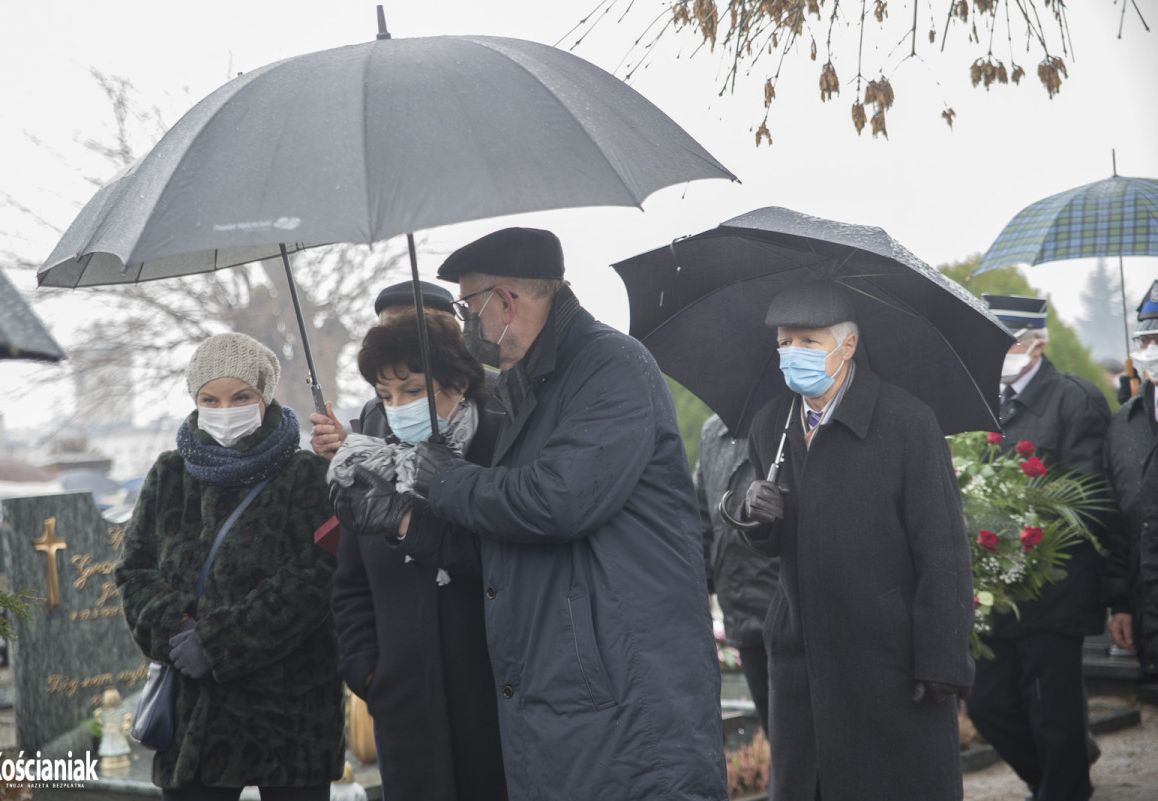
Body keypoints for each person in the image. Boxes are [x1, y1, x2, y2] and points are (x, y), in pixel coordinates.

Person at [336, 227, 728, 800]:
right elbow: (508, 542)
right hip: (564, 697)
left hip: (623, 697)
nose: (466, 325)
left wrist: (440, 477)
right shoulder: (532, 385)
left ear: (504, 301)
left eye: (468, 308)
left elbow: (556, 502)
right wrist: (404, 522)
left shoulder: (608, 367)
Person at [728, 280, 974, 801]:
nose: (792, 353)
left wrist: (943, 658)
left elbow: (943, 548)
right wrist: (757, 515)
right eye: (784, 342)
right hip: (801, 654)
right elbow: (766, 541)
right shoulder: (772, 423)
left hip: (886, 657)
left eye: (808, 341)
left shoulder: (907, 422)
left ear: (849, 345)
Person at [115, 332, 344, 801]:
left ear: (264, 396)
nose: (225, 410)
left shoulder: (305, 473)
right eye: (210, 399)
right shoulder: (169, 474)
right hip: (196, 715)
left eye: (241, 397)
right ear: (195, 401)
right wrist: (177, 629)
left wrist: (217, 643)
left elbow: (314, 578)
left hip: (292, 713)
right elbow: (134, 570)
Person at [327, 309, 508, 801]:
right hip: (406, 709)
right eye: (385, 396)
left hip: (496, 704)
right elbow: (350, 586)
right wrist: (367, 672)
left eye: (412, 391)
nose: (397, 407)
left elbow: (513, 558)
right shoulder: (369, 465)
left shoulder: (502, 445)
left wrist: (412, 520)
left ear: (459, 383)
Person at [965, 294, 1112, 801]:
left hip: (1054, 587)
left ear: (1037, 344)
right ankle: (1055, 773)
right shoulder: (982, 398)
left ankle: (1064, 786)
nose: (996, 354)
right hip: (998, 588)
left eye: (1006, 343)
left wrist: (1020, 523)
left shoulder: (1074, 399)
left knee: (1053, 710)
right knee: (987, 705)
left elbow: (1088, 499)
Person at [309, 279, 458, 460]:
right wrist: (345, 451)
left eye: (409, 327)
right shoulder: (373, 412)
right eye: (387, 328)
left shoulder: (486, 397)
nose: (394, 339)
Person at [695, 412, 778, 732]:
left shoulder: (785, 421)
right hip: (739, 610)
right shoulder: (712, 432)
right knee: (773, 731)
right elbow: (701, 518)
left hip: (783, 609)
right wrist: (701, 588)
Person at [1104, 280, 1158, 683]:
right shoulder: (1125, 423)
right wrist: (1121, 603)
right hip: (1147, 609)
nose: (1151, 350)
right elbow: (1117, 521)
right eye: (1146, 340)